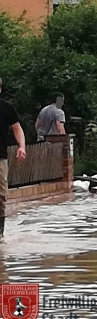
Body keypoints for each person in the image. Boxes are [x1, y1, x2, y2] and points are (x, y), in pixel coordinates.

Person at [0, 76, 26, 239]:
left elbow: (17, 128)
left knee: (1, 196)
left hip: (0, 158)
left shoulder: (6, 108)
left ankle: (0, 234)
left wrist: (22, 146)